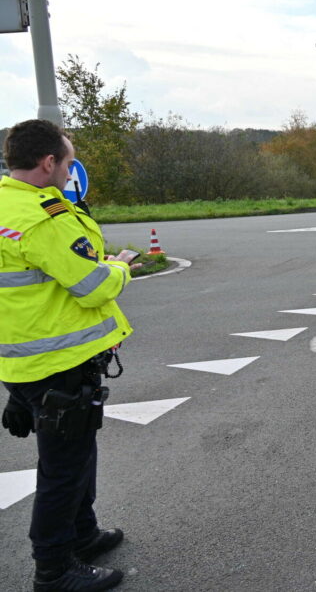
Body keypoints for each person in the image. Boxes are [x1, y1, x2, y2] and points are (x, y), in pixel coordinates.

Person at [0, 119, 138, 592]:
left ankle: (83, 533)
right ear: (49, 162)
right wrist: (118, 267)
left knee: (75, 455)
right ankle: (54, 570)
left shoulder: (3, 205)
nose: (71, 168)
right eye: (69, 159)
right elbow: (91, 285)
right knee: (64, 467)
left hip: (20, 363)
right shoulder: (45, 218)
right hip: (59, 363)